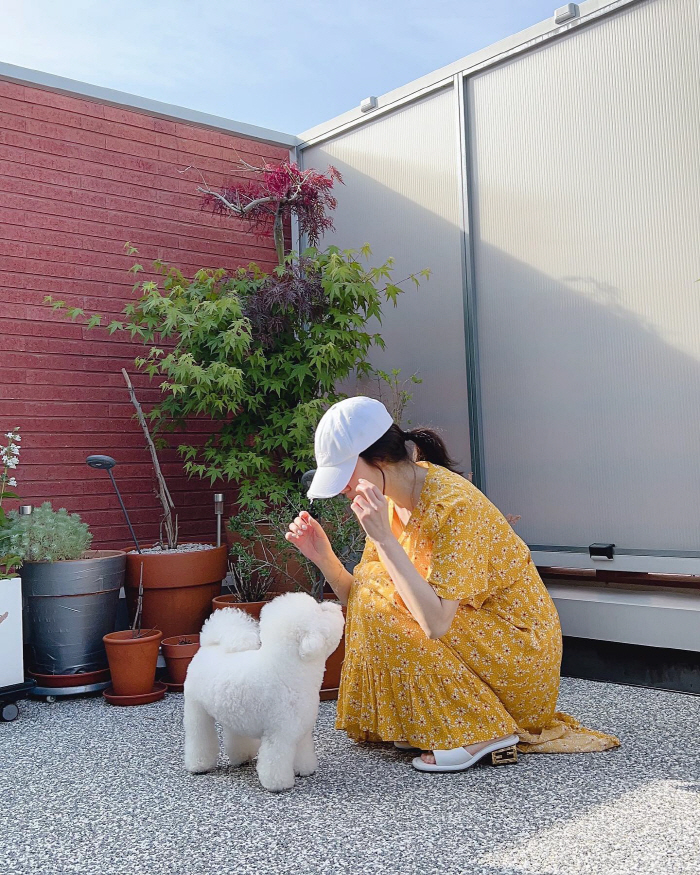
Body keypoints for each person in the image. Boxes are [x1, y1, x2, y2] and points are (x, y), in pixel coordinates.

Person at [285, 396, 619, 772]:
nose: (342, 488)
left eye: (346, 474)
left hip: (517, 654)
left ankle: (482, 731)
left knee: (384, 588)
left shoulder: (454, 507)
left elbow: (436, 623)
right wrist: (323, 556)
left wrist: (383, 539)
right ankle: (434, 719)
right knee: (374, 584)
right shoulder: (391, 501)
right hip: (479, 642)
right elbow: (362, 598)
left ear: (377, 459)